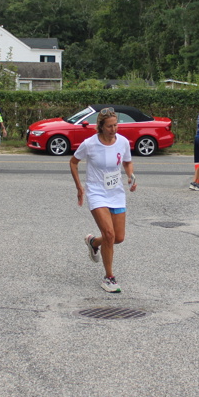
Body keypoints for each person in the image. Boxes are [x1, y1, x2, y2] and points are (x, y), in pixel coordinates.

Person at [70, 107, 137, 292]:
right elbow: (73, 162)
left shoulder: (122, 142)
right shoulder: (89, 144)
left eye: (115, 125)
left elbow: (127, 162)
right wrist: (79, 187)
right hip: (96, 192)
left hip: (116, 193)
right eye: (109, 126)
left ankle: (93, 242)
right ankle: (109, 278)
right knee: (109, 234)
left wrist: (130, 176)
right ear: (100, 126)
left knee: (118, 238)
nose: (113, 129)